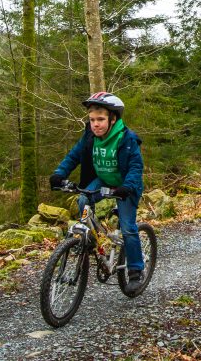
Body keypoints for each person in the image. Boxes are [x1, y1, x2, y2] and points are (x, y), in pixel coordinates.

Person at [49, 92, 145, 289]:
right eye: (92, 120)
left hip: (125, 185)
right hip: (102, 180)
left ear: (113, 119)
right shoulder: (90, 137)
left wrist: (127, 186)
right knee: (83, 200)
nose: (95, 124)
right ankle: (91, 239)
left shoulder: (126, 139)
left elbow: (136, 167)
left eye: (100, 119)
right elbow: (73, 156)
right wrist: (59, 174)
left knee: (128, 228)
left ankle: (136, 270)